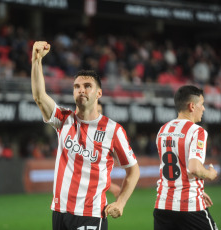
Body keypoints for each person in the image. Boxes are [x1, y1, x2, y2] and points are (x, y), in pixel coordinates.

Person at [31, 41, 140, 230]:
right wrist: (36, 60)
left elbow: (133, 170)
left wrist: (120, 203)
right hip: (59, 211)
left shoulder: (113, 130)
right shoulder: (63, 119)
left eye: (87, 85)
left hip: (90, 215)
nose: (81, 89)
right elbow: (39, 97)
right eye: (76, 86)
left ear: (99, 93)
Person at [153, 85, 218, 230]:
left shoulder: (163, 130)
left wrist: (199, 190)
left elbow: (174, 168)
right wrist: (210, 174)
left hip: (163, 206)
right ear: (192, 106)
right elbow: (194, 168)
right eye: (202, 104)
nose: (204, 109)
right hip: (189, 207)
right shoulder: (197, 131)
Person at [97, 102, 122, 199]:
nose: (98, 115)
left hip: (96, 196)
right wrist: (109, 185)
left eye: (99, 112)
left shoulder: (107, 133)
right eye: (95, 111)